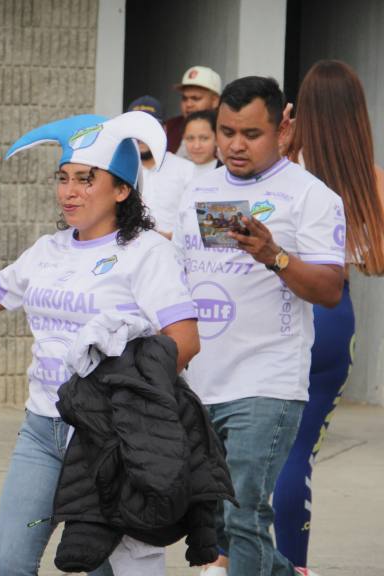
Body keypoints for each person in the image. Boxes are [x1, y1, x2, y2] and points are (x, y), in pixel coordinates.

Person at [0, 111, 201, 576]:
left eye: (86, 180)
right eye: (64, 178)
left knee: (102, 568)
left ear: (122, 189)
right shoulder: (48, 250)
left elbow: (184, 340)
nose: (69, 191)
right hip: (41, 429)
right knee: (9, 563)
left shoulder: (147, 253)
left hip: (109, 436)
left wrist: (127, 391)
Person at [172, 76, 346, 576]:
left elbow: (330, 289)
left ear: (281, 130)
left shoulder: (310, 196)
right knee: (220, 522)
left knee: (244, 510)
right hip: (201, 381)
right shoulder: (200, 188)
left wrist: (276, 256)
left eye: (251, 134)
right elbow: (182, 271)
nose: (235, 144)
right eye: (227, 131)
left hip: (267, 380)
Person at [272, 60, 384, 576]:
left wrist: (280, 143)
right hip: (336, 316)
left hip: (277, 312)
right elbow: (375, 262)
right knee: (299, 452)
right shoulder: (372, 182)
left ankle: (230, 558)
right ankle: (294, 566)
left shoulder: (282, 169)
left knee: (248, 446)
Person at [128, 96, 195, 235]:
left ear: (164, 130)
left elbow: (194, 219)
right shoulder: (120, 172)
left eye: (148, 127)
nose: (141, 135)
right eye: (135, 128)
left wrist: (171, 237)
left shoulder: (186, 169)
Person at [164, 66, 222, 157]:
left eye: (195, 98)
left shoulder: (226, 129)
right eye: (184, 98)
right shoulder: (170, 127)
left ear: (215, 101)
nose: (189, 104)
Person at [183, 110, 220, 176]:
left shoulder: (226, 172)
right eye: (190, 138)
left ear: (217, 139)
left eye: (204, 138)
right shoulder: (175, 172)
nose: (196, 146)